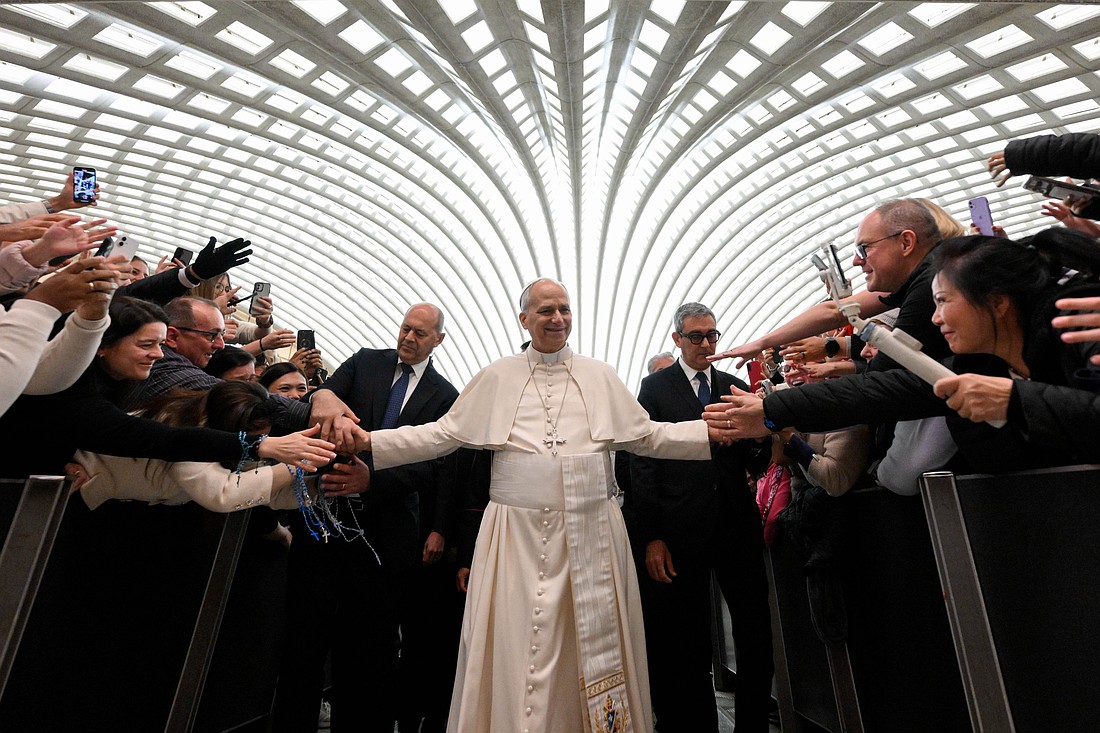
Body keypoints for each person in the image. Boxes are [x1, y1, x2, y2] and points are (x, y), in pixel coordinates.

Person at [357, 279, 733, 733]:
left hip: (592, 531)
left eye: (565, 309)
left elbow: (648, 436)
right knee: (516, 646)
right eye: (545, 311)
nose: (557, 318)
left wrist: (712, 433)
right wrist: (370, 442)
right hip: (514, 536)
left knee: (586, 647)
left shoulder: (599, 375)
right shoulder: (498, 376)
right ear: (525, 319)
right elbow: (442, 434)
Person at [704, 233, 1100, 472]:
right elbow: (881, 391)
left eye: (944, 301)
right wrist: (773, 412)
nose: (937, 317)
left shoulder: (1082, 329)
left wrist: (1016, 401)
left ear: (997, 302)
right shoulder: (978, 366)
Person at [272, 303, 460, 733]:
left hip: (386, 535)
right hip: (325, 520)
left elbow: (436, 463)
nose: (409, 338)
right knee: (305, 637)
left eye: (420, 333)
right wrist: (323, 395)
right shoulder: (364, 362)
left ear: (438, 340)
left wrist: (372, 479)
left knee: (368, 647)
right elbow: (323, 398)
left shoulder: (446, 395)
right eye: (406, 328)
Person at [630, 302, 773, 733]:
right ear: (677, 339)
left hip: (735, 526)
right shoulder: (655, 389)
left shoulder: (733, 387)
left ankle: (752, 725)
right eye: (697, 336)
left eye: (713, 335)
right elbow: (642, 462)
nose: (707, 344)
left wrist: (762, 424)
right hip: (679, 531)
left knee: (755, 635)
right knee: (686, 641)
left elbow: (757, 460)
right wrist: (651, 536)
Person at [714, 198, 949, 373]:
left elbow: (884, 377)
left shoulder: (930, 286)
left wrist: (772, 410)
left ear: (907, 242)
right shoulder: (917, 282)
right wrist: (763, 342)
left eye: (864, 249)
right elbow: (834, 312)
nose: (856, 261)